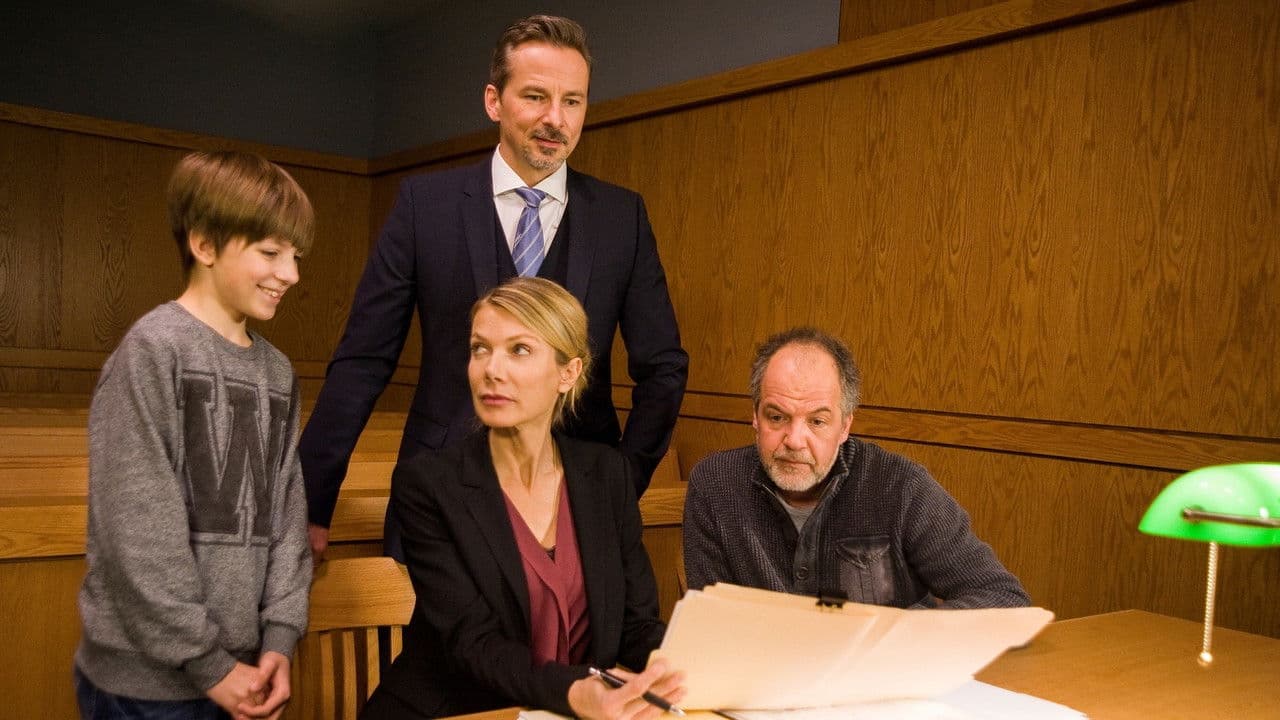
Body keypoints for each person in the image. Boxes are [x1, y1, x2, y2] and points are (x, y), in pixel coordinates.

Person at [301, 14, 688, 562]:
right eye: (535, 97)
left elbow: (663, 367)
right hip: (440, 499)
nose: (555, 119)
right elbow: (363, 361)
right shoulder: (424, 206)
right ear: (493, 101)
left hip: (579, 508)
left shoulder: (621, 217)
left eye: (572, 101)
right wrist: (312, 501)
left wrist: (620, 481)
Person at [361, 277, 683, 719]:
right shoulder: (429, 484)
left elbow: (636, 625)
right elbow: (473, 642)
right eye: (480, 348)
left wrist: (689, 667)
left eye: (519, 350)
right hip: (454, 712)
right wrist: (577, 693)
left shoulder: (607, 474)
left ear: (568, 373)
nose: (491, 369)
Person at [74, 151, 314, 720]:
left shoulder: (277, 372)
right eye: (270, 253)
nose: (291, 274)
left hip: (246, 671)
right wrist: (209, 665)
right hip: (146, 689)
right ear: (204, 244)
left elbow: (286, 516)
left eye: (296, 256)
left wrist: (279, 640)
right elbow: (139, 532)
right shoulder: (153, 351)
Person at [683, 327, 1029, 609]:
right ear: (755, 417)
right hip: (765, 674)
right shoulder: (715, 484)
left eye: (817, 421)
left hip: (885, 670)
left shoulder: (901, 486)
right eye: (777, 417)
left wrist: (899, 636)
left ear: (845, 426)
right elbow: (711, 624)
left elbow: (1003, 598)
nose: (795, 440)